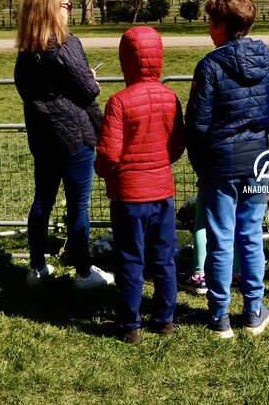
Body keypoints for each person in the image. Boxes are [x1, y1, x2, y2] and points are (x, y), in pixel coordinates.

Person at [186, 0, 269, 338]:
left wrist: (205, 153)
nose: (208, 28)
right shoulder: (266, 58)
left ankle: (219, 316)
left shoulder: (210, 65)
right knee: (250, 235)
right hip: (257, 159)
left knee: (221, 238)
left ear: (222, 26)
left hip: (220, 164)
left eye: (210, 22)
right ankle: (253, 309)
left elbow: (197, 124)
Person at [14, 0, 114, 290]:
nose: (70, 11)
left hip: (43, 137)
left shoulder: (27, 51)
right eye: (66, 5)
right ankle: (84, 273)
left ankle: (37, 266)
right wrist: (91, 78)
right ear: (50, 9)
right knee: (77, 206)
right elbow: (88, 90)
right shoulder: (67, 44)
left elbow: (26, 90)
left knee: (42, 200)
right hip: (74, 138)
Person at [94, 26, 185, 344]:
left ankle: (130, 325)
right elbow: (176, 147)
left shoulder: (118, 102)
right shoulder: (170, 97)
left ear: (125, 60)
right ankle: (164, 319)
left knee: (130, 258)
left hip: (129, 196)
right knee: (164, 256)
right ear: (158, 58)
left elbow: (108, 155)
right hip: (162, 191)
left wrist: (102, 170)